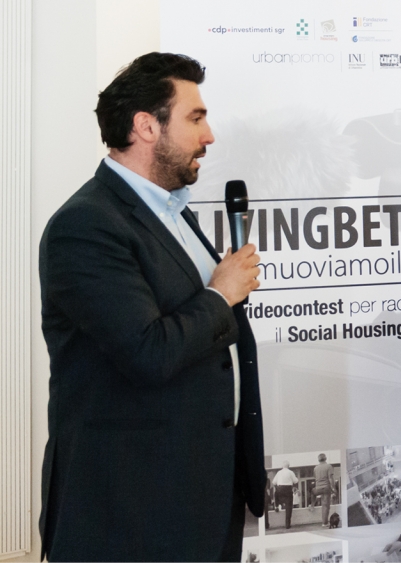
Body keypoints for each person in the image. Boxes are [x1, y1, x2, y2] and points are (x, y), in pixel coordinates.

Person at [38, 52, 265, 562]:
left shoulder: (173, 212)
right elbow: (147, 352)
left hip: (203, 499)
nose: (209, 136)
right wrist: (221, 293)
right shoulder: (86, 225)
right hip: (129, 513)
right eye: (195, 118)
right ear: (146, 126)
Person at [273, 461, 300, 529]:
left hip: (280, 489)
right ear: (288, 466)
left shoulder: (279, 472)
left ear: (282, 466)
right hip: (288, 489)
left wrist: (278, 486)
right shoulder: (290, 472)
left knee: (276, 493)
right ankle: (287, 525)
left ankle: (276, 506)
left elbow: (274, 482)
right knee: (289, 507)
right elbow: (296, 481)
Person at [314, 453, 336, 528]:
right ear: (325, 458)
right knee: (326, 505)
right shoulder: (328, 466)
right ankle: (325, 523)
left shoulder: (315, 468)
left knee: (323, 505)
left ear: (318, 460)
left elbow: (316, 478)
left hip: (318, 488)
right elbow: (330, 478)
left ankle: (324, 521)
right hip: (326, 487)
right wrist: (333, 488)